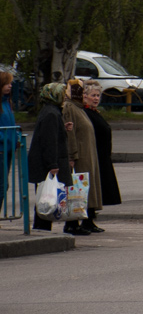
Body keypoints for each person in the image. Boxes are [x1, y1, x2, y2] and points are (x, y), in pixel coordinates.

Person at [27, 82, 72, 233]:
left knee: (45, 196)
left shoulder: (50, 111)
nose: (65, 98)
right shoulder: (52, 114)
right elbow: (49, 141)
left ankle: (43, 226)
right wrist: (52, 164)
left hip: (44, 162)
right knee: (46, 198)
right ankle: (42, 227)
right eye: (63, 95)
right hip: (47, 164)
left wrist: (62, 128)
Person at [62, 78, 103, 234]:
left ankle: (86, 220)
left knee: (85, 190)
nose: (86, 95)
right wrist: (72, 155)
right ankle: (72, 223)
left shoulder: (78, 108)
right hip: (80, 156)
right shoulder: (70, 107)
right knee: (76, 191)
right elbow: (70, 134)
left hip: (88, 154)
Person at [82, 79, 120, 225]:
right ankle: (87, 219)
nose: (96, 98)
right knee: (91, 189)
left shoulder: (94, 112)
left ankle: (90, 219)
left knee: (97, 189)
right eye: (93, 95)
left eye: (98, 95)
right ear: (85, 96)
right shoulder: (85, 113)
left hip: (101, 156)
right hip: (93, 156)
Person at [0, 71, 17, 210]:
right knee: (1, 185)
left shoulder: (7, 103)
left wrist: (16, 136)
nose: (10, 86)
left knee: (4, 186)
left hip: (8, 149)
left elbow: (12, 125)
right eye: (7, 83)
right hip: (1, 148)